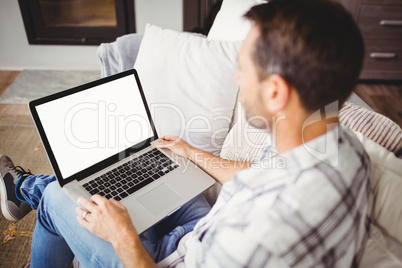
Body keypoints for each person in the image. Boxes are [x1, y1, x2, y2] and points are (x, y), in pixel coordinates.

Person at [0, 0, 372, 266]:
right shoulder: (342, 148)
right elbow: (265, 173)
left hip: (161, 258)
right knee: (135, 179)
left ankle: (26, 189)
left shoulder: (261, 235)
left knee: (54, 196)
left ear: (275, 91)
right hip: (202, 229)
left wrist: (124, 235)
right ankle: (24, 187)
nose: (236, 79)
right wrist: (193, 153)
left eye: (243, 70)